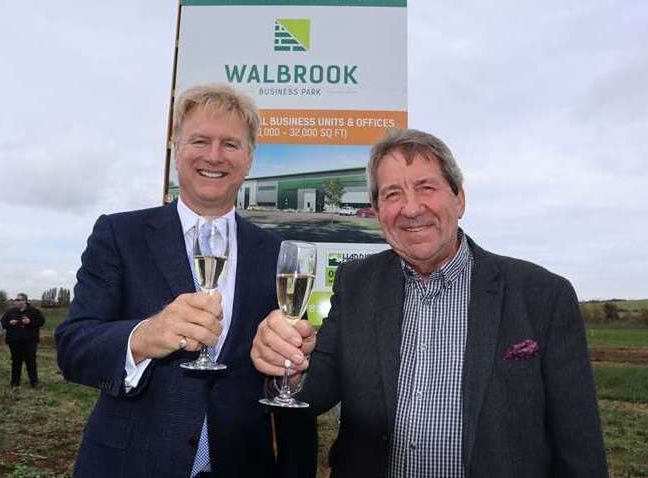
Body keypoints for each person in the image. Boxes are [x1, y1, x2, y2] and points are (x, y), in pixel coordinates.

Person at [251, 128, 608, 477]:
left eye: (426, 187)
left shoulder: (542, 296)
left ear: (459, 199)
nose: (410, 208)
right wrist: (293, 373)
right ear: (377, 212)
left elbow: (579, 447)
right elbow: (319, 388)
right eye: (392, 194)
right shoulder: (355, 282)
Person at [55, 83, 316, 478]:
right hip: (130, 464)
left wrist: (291, 368)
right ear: (177, 149)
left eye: (230, 144)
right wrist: (144, 336)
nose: (214, 156)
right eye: (199, 140)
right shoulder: (118, 234)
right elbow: (73, 347)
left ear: (249, 158)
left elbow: (279, 377)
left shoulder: (275, 251)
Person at [1, 293, 45, 389]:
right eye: (15, 300)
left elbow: (41, 322)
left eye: (18, 300)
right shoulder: (10, 312)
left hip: (30, 341)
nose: (16, 301)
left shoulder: (34, 311)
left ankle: (34, 382)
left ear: (24, 301)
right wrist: (9, 322)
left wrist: (30, 322)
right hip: (14, 341)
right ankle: (15, 383)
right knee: (16, 362)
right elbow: (2, 323)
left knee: (31, 361)